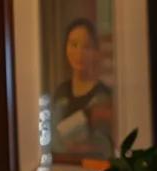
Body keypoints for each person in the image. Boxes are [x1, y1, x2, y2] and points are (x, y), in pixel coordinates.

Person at [48, 17, 114, 162]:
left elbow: (104, 148)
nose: (79, 53)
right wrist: (87, 117)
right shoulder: (60, 93)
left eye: (87, 47)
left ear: (96, 52)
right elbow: (55, 142)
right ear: (66, 48)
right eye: (74, 44)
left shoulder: (104, 96)